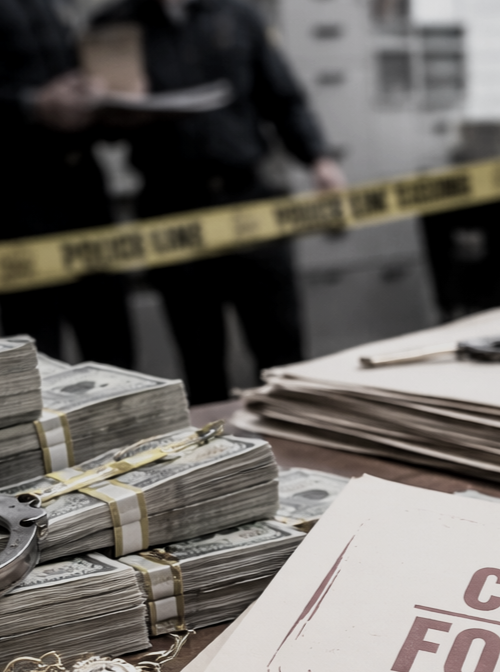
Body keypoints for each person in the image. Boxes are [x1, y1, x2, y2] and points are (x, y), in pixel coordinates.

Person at [91, 0, 345, 403]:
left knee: (281, 350)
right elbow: (99, 126)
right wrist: (107, 108)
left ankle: (300, 450)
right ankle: (219, 461)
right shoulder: (114, 27)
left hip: (248, 198)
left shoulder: (238, 15)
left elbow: (283, 98)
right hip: (171, 206)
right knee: (201, 357)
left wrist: (320, 159)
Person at [0, 0, 135, 365]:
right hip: (16, 186)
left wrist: (101, 96)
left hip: (81, 180)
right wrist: (29, 104)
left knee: (108, 329)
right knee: (37, 342)